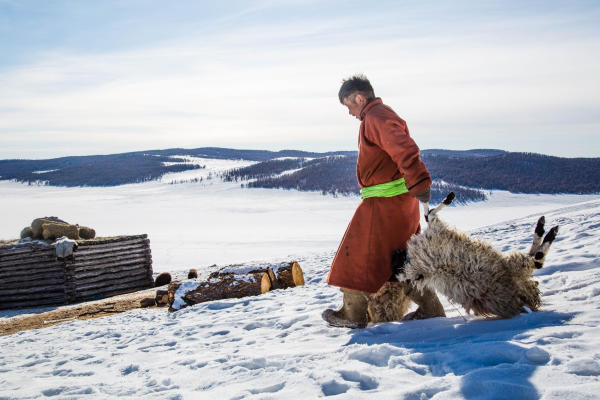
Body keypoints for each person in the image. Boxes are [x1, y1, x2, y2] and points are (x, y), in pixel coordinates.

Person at [322, 75, 445, 328]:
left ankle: (353, 314)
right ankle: (431, 307)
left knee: (355, 253)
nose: (349, 113)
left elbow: (404, 148)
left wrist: (420, 181)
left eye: (349, 106)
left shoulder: (377, 116)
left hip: (385, 203)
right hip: (396, 202)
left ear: (359, 97)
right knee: (400, 257)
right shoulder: (377, 115)